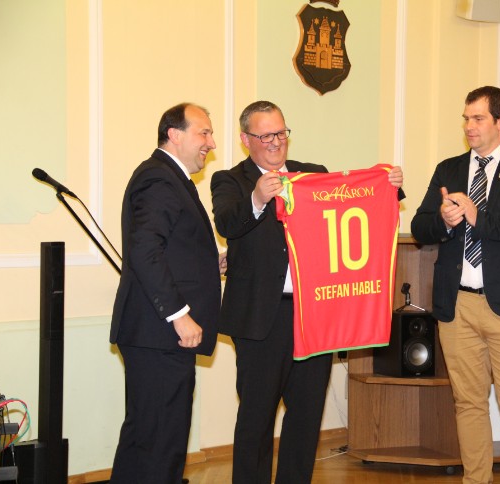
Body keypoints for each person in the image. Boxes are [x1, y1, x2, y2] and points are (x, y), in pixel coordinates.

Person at [211, 100, 403, 484]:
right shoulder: (230, 180)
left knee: (306, 416)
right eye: (265, 135)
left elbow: (355, 200)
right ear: (246, 139)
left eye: (281, 133)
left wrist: (389, 186)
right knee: (256, 418)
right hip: (260, 320)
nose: (275, 142)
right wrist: (258, 198)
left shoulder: (313, 174)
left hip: (314, 315)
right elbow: (227, 222)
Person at [410, 86, 500, 484]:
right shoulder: (449, 169)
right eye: (466, 118)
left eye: (478, 118)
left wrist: (480, 217)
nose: (469, 126)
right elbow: (420, 226)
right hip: (457, 307)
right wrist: (443, 220)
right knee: (467, 403)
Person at [109, 103, 222, 483]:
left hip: (156, 336)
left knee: (149, 439)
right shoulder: (159, 178)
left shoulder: (167, 177)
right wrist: (179, 314)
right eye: (204, 132)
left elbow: (166, 247)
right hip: (160, 333)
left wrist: (209, 262)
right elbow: (144, 249)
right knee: (159, 443)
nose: (211, 142)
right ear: (174, 134)